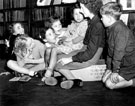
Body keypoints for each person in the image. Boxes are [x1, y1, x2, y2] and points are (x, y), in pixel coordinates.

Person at [45, 0, 105, 89]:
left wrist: (71, 58)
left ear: (88, 8)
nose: (81, 10)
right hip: (85, 50)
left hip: (90, 55)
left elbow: (90, 52)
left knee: (58, 63)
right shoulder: (92, 22)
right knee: (57, 58)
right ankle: (63, 78)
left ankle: (74, 80)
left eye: (82, 8)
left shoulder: (96, 25)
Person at [42, 6, 88, 83]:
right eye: (75, 14)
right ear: (72, 15)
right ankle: (50, 71)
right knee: (49, 50)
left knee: (54, 50)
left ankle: (49, 71)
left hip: (75, 46)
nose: (78, 16)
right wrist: (63, 38)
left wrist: (68, 41)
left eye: (80, 13)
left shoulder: (84, 24)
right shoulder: (72, 24)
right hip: (68, 45)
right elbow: (66, 33)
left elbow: (80, 37)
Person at [100, 2, 135, 89]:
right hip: (122, 64)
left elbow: (118, 52)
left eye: (102, 17)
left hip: (130, 66)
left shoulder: (120, 30)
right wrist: (109, 68)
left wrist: (115, 71)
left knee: (109, 85)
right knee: (104, 80)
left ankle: (133, 82)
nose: (101, 19)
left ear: (109, 18)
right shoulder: (111, 28)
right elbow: (110, 51)